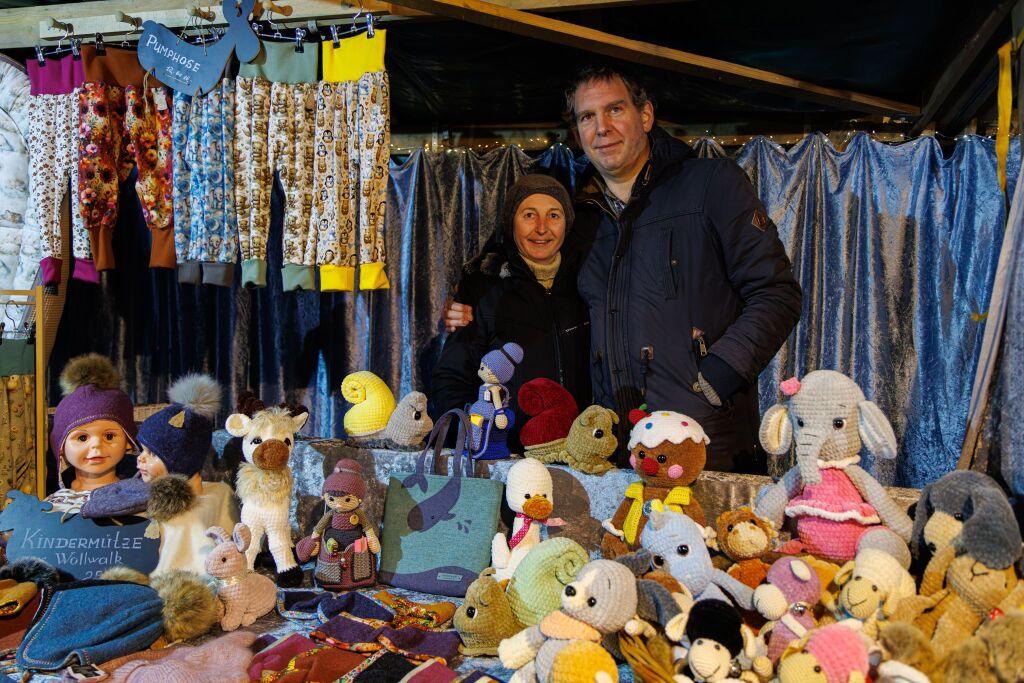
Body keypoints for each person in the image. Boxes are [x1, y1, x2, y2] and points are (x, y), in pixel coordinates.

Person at [447, 67, 802, 472]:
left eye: (615, 109)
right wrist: (468, 302)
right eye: (587, 116)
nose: (602, 127)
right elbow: (524, 265)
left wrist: (719, 375)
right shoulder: (579, 216)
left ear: (645, 116)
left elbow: (777, 293)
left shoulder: (712, 185)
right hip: (612, 448)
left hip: (701, 440)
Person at [431, 174, 592, 453]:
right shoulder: (483, 288)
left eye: (554, 215)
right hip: (510, 455)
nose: (542, 228)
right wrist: (473, 438)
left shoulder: (589, 281)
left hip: (581, 453)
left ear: (567, 223)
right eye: (529, 215)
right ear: (511, 222)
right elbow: (451, 377)